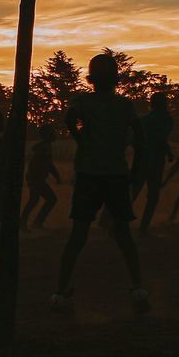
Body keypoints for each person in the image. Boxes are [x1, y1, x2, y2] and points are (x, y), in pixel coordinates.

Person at [53, 52, 149, 313]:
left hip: (89, 174)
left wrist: (82, 141)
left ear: (92, 79)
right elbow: (140, 137)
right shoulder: (125, 106)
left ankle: (61, 292)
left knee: (78, 235)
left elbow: (69, 118)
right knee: (124, 234)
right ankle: (138, 288)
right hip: (117, 174)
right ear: (115, 80)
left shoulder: (83, 101)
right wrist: (137, 169)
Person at [131, 91, 175, 236]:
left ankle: (115, 224)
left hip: (142, 159)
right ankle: (143, 227)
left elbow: (135, 139)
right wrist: (168, 153)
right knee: (153, 196)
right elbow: (161, 139)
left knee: (133, 192)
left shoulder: (144, 119)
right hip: (155, 161)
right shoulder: (167, 120)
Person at [21, 123, 62, 230]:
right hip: (37, 178)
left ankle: (32, 222)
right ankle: (32, 222)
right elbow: (49, 165)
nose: (55, 134)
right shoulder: (45, 148)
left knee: (36, 200)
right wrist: (57, 176)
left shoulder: (44, 146)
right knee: (48, 199)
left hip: (35, 178)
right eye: (52, 132)